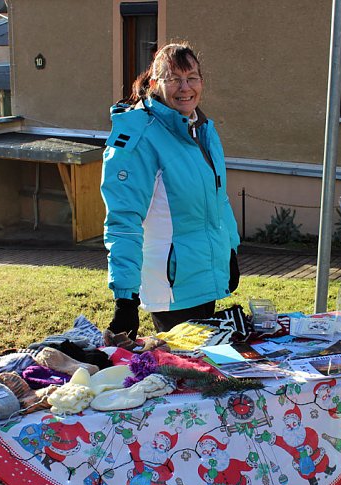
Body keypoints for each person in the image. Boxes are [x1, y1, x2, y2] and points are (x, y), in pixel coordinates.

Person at [100, 42, 240, 340]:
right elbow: (123, 222)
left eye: (191, 77)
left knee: (209, 372)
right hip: (171, 289)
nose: (184, 87)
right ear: (154, 84)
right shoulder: (139, 138)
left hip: (205, 278)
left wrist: (230, 249)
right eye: (173, 79)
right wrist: (125, 298)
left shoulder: (201, 129)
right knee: (185, 377)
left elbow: (219, 198)